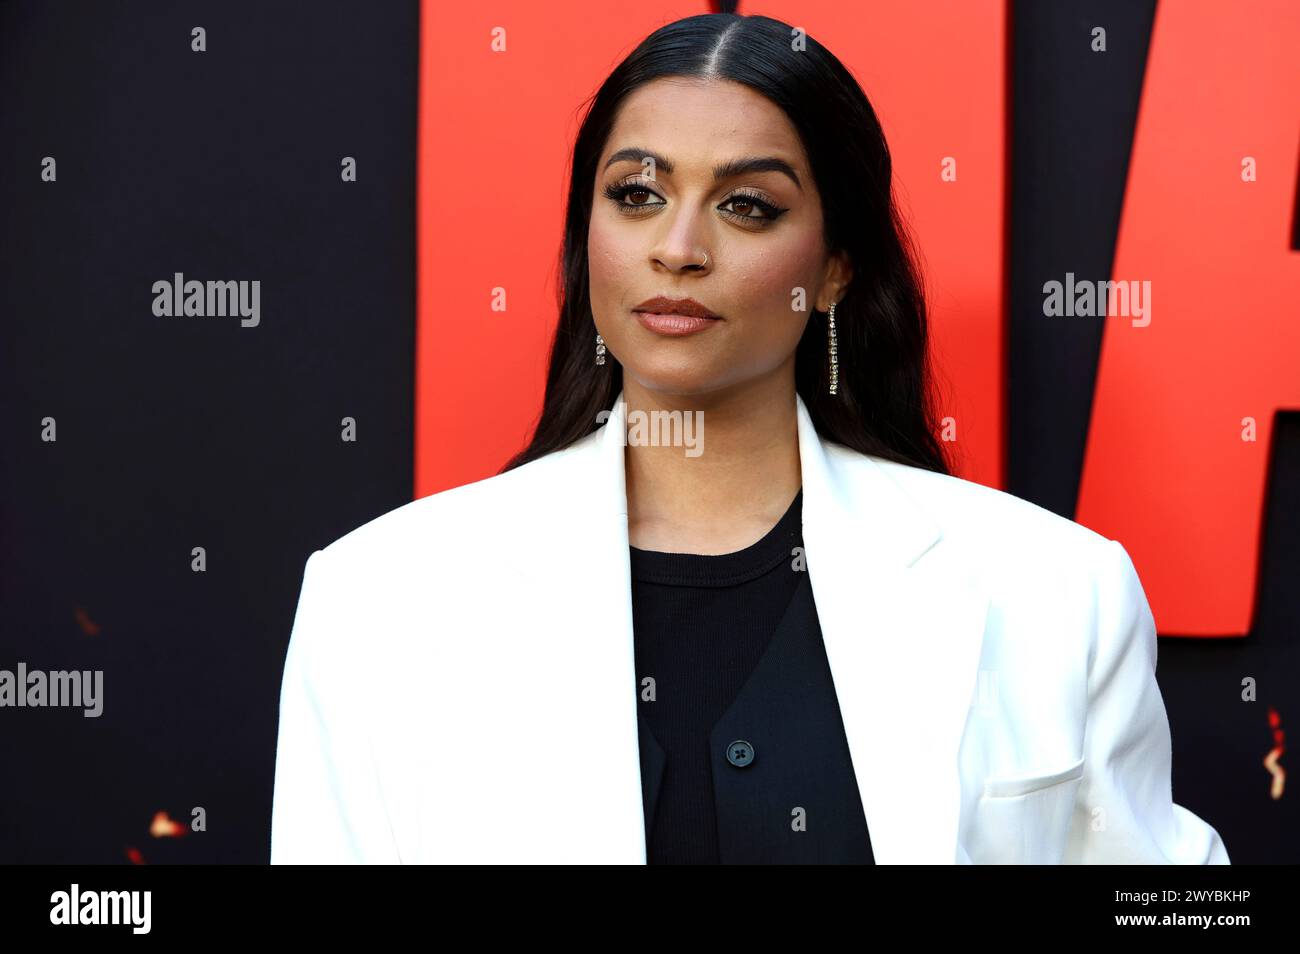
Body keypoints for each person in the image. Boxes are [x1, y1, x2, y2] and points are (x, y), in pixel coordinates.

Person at [270, 12, 1229, 864]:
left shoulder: (1055, 589)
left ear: (839, 267)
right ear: (586, 234)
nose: (679, 246)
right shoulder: (378, 600)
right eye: (637, 193)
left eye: (747, 206)